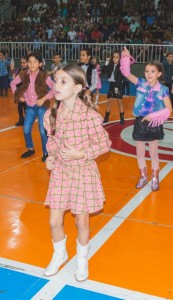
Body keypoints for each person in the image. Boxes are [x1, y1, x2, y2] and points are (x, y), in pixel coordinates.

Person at [43, 64, 112, 281]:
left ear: (77, 88)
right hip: (61, 172)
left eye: (64, 81)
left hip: (83, 172)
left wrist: (81, 154)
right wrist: (52, 157)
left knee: (81, 222)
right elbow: (52, 142)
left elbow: (105, 144)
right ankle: (59, 253)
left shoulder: (89, 116)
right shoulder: (51, 114)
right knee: (54, 221)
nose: (57, 85)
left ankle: (82, 259)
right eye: (56, 80)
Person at [119, 47, 172, 191]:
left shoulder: (163, 90)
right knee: (140, 152)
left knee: (153, 153)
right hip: (140, 122)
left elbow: (169, 109)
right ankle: (143, 176)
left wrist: (152, 116)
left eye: (153, 71)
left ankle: (155, 177)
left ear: (159, 73)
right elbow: (126, 73)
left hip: (154, 123)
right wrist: (125, 58)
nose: (149, 74)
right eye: (147, 71)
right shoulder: (140, 83)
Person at [10, 52, 54, 162]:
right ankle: (30, 149)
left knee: (42, 130)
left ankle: (46, 152)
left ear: (40, 63)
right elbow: (12, 84)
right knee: (26, 129)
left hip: (41, 106)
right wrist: (18, 96)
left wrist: (43, 99)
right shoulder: (23, 74)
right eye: (29, 61)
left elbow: (55, 89)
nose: (32, 64)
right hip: (29, 106)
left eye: (35, 61)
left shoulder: (45, 76)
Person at [102, 51, 125, 124]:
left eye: (117, 57)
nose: (115, 59)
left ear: (119, 58)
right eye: (114, 57)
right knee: (109, 102)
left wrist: (117, 87)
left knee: (119, 102)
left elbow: (120, 77)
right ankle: (106, 117)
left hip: (118, 85)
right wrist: (106, 62)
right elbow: (104, 71)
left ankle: (122, 118)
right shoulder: (110, 65)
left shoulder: (121, 67)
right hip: (111, 85)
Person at [10, 57, 28, 126]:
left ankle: (27, 120)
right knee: (19, 106)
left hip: (26, 92)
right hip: (19, 91)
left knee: (26, 107)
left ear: (27, 63)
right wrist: (12, 71)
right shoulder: (18, 70)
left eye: (24, 62)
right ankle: (21, 119)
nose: (22, 64)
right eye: (21, 63)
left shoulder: (29, 71)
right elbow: (14, 78)